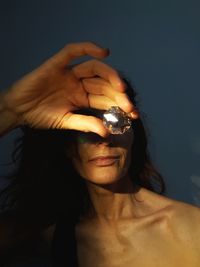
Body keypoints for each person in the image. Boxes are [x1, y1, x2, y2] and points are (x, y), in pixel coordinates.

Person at [0, 42, 199, 267]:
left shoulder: (190, 230)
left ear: (135, 133)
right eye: (82, 127)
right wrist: (11, 109)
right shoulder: (45, 232)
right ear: (64, 145)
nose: (102, 136)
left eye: (116, 122)